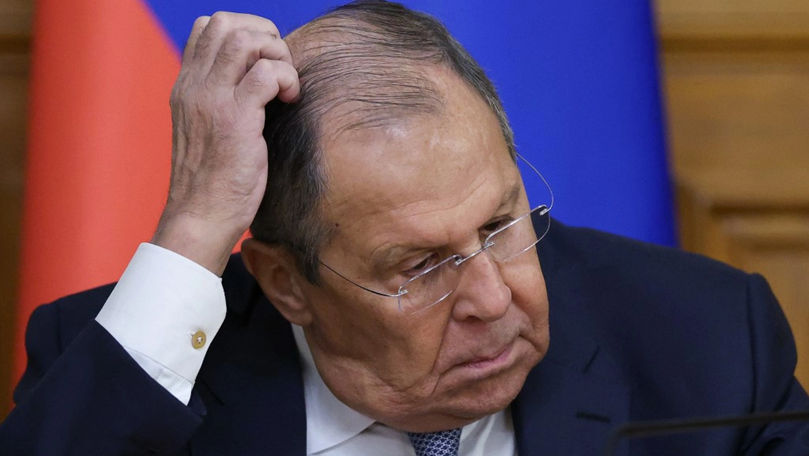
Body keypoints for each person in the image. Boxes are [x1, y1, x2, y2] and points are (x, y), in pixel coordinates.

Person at [2, 1, 808, 455]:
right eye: (420, 266)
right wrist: (196, 226)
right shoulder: (130, 371)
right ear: (284, 282)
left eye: (499, 224)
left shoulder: (705, 344)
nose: (493, 300)